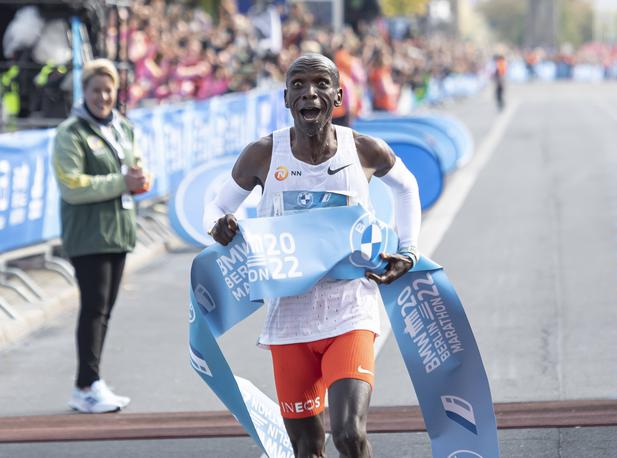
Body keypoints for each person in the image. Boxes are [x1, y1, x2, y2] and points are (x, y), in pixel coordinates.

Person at [204, 53, 421, 457]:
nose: (310, 93)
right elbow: (216, 208)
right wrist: (219, 227)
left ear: (338, 95)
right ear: (286, 98)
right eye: (299, 85)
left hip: (350, 310)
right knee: (307, 446)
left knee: (349, 434)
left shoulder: (363, 150)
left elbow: (406, 188)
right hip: (289, 319)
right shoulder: (263, 155)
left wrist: (406, 249)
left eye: (322, 83)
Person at [52, 58, 150, 414]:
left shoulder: (122, 127)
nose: (103, 97)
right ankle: (86, 384)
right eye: (96, 90)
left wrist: (140, 179)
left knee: (104, 310)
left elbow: (134, 165)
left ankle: (90, 381)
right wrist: (121, 182)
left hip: (118, 230)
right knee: (94, 308)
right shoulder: (71, 132)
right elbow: (72, 185)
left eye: (108, 90)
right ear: (85, 92)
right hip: (88, 232)